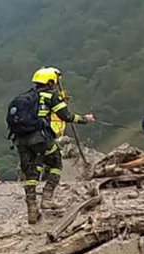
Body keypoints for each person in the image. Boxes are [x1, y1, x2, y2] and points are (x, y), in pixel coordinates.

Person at [7, 67, 95, 224]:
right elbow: (66, 116)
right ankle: (47, 198)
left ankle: (32, 210)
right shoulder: (52, 95)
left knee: (31, 173)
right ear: (50, 82)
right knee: (56, 163)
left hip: (21, 140)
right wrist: (85, 119)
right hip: (40, 138)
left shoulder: (26, 96)